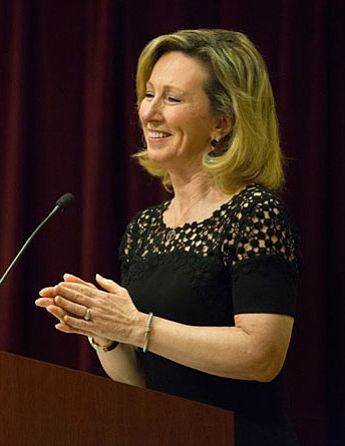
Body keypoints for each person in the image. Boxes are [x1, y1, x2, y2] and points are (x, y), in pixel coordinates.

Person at [35, 29, 299, 445]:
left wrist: (138, 326)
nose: (149, 113)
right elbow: (141, 387)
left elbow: (261, 355)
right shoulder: (143, 229)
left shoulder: (254, 213)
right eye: (148, 95)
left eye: (172, 99)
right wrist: (108, 335)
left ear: (222, 123)